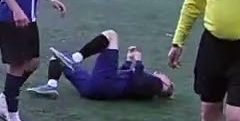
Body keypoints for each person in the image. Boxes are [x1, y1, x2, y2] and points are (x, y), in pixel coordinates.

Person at [27, 29, 175, 101]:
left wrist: (139, 62)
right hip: (93, 89)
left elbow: (138, 80)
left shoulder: (156, 85)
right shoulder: (148, 87)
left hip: (105, 84)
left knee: (111, 35)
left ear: (166, 86)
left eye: (167, 79)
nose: (163, 74)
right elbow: (125, 79)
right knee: (60, 56)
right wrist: (129, 61)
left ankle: (77, 57)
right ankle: (51, 86)